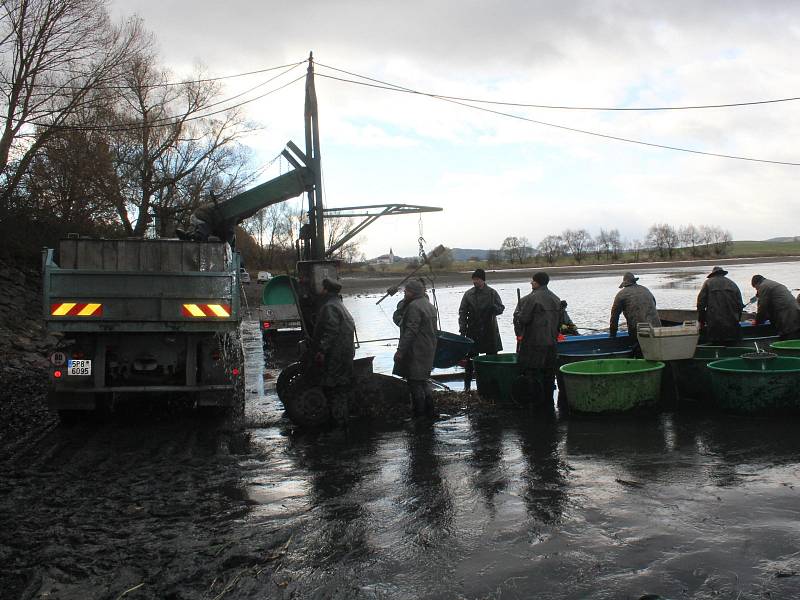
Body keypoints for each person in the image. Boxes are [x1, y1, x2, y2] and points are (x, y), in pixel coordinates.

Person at [513, 271, 561, 407]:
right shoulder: (556, 298)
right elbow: (560, 323)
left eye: (532, 281)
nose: (531, 283)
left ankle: (533, 403)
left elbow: (523, 319)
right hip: (552, 342)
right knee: (549, 374)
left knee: (531, 372)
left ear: (537, 282)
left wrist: (517, 315)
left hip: (534, 342)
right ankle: (549, 403)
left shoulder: (531, 299)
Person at [312, 278, 356, 426]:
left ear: (326, 290)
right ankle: (342, 422)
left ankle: (338, 424)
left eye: (323, 288)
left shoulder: (330, 307)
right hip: (345, 353)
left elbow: (331, 330)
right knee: (341, 389)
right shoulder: (340, 305)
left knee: (333, 389)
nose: (321, 291)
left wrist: (321, 350)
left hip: (336, 355)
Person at [393, 279, 439, 418]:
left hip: (416, 350)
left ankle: (419, 416)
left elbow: (410, 331)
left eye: (407, 291)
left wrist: (400, 351)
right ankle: (430, 413)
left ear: (412, 292)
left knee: (414, 382)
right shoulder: (430, 306)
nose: (405, 293)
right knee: (424, 380)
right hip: (428, 348)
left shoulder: (413, 307)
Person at [458, 268, 505, 390]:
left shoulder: (492, 293)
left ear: (483, 280)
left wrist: (494, 308)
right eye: (473, 279)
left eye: (477, 279)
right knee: (469, 361)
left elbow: (501, 308)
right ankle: (466, 387)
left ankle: (493, 385)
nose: (475, 281)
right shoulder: (468, 294)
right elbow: (462, 312)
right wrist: (462, 330)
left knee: (492, 359)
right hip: (472, 330)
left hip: (490, 330)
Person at [696, 266, 744, 345]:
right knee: (732, 343)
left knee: (715, 343)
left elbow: (700, 304)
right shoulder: (732, 283)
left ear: (713, 274)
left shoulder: (708, 283)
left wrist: (701, 321)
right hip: (732, 323)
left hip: (714, 322)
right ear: (723, 274)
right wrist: (737, 319)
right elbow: (740, 305)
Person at [609, 272, 661, 345]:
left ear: (624, 283)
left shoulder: (621, 295)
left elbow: (614, 317)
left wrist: (612, 335)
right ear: (634, 281)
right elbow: (654, 304)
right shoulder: (645, 289)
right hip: (657, 330)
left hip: (638, 332)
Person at [751, 274, 800, 340]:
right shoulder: (771, 284)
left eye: (755, 288)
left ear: (756, 284)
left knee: (789, 338)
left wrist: (757, 321)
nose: (756, 290)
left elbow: (763, 307)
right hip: (795, 313)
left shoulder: (763, 286)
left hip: (787, 316)